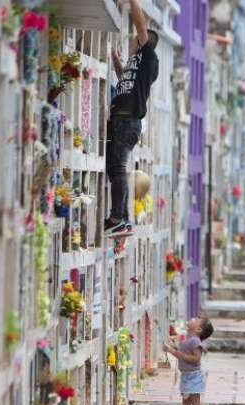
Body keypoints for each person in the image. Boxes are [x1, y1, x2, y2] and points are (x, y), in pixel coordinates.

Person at [105, 0, 159, 237]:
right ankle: (123, 220)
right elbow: (126, 85)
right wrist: (119, 66)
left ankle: (117, 218)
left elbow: (140, 26)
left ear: (143, 42)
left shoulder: (148, 57)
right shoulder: (135, 65)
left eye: (136, 39)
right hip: (122, 119)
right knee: (114, 169)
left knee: (117, 168)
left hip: (128, 121)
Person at [163, 316, 214, 405]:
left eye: (196, 320)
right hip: (186, 376)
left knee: (195, 403)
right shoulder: (189, 339)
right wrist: (171, 349)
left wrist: (174, 352)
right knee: (185, 402)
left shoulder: (195, 341)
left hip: (194, 376)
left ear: (198, 329)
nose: (193, 318)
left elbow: (196, 359)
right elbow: (181, 353)